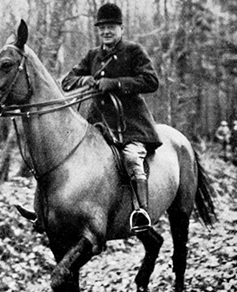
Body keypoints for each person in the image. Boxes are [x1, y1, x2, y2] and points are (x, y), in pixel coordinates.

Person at [61, 3, 162, 233]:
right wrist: (84, 80)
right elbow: (66, 82)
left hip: (131, 124)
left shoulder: (133, 51)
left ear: (121, 29)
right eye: (102, 28)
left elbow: (151, 81)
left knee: (131, 157)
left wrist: (116, 84)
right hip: (98, 124)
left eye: (111, 27)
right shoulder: (93, 55)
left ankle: (141, 211)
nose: (106, 32)